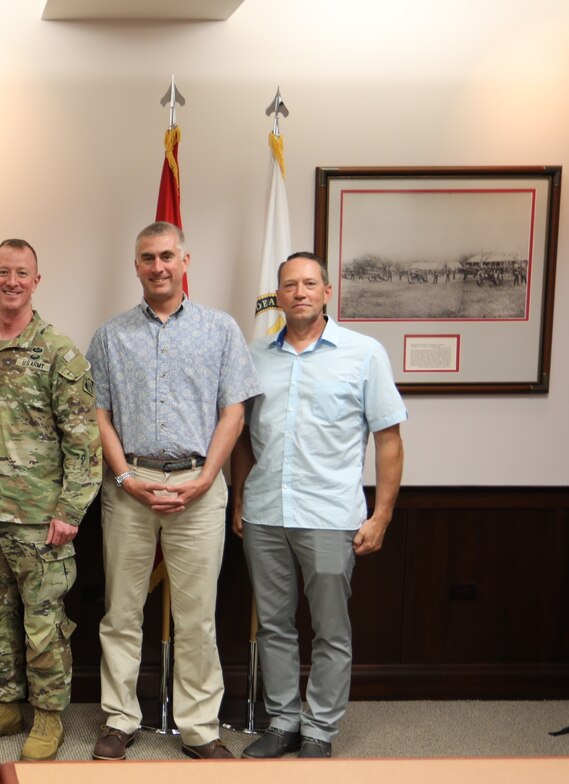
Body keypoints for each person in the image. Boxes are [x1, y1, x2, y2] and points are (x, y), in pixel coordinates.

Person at [87, 221, 262, 761]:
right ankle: (119, 719)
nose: (158, 266)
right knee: (121, 611)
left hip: (199, 485)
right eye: (147, 258)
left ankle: (199, 727)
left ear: (185, 261)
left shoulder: (221, 330)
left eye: (167, 256)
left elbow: (234, 412)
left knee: (196, 616)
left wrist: (207, 478)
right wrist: (125, 478)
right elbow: (99, 415)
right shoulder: (111, 335)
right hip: (129, 485)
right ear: (135, 266)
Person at [231, 252, 406, 759]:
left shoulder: (364, 354)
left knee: (330, 629)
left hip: (330, 516)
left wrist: (382, 515)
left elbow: (389, 439)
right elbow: (241, 438)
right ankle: (284, 722)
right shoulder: (254, 355)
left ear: (327, 292)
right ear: (278, 296)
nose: (300, 292)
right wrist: (239, 497)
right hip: (265, 513)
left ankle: (319, 730)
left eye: (310, 284)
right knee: (274, 626)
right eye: (290, 285)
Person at [0, 238, 101, 761]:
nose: (11, 282)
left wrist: (70, 511)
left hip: (39, 518)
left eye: (21, 273)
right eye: (3, 272)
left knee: (43, 623)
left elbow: (84, 442)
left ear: (36, 281)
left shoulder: (58, 352)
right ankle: (5, 705)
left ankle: (48, 715)